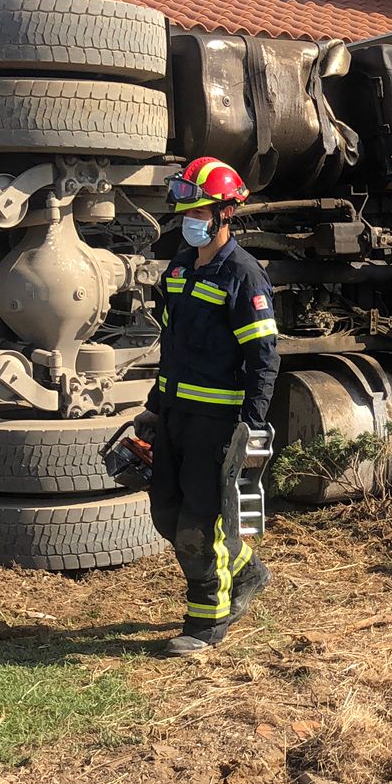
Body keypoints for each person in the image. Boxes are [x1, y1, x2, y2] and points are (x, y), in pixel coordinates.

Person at [141, 157, 279, 656]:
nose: (189, 222)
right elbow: (172, 347)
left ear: (225, 214)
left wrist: (251, 426)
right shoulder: (179, 268)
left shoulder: (243, 276)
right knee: (166, 514)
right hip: (176, 416)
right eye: (185, 213)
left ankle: (206, 621)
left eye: (199, 211)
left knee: (200, 523)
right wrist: (156, 407)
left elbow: (263, 359)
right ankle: (247, 571)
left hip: (217, 423)